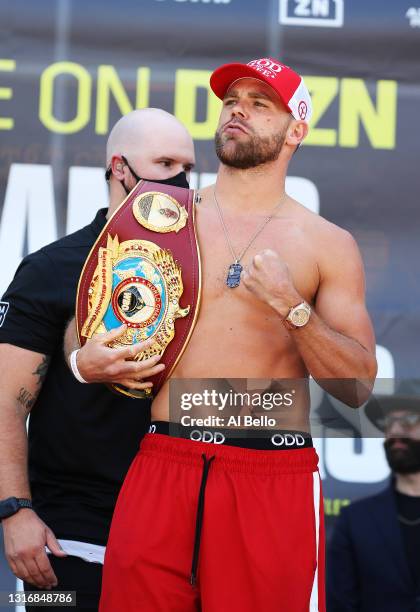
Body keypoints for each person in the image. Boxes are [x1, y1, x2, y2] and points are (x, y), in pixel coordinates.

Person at [67, 57, 377, 612]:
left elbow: (357, 387)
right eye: (232, 101)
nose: (239, 111)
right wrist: (82, 363)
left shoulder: (327, 243)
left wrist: (291, 307)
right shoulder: (160, 217)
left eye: (261, 105)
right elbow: (91, 321)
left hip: (270, 470)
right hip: (166, 457)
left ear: (296, 130)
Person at [0, 108, 195, 610]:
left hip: (172, 537)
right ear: (120, 167)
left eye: (189, 167)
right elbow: (6, 402)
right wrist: (15, 512)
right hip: (67, 539)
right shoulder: (50, 268)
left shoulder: (205, 272)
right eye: (165, 162)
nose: (181, 181)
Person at [328, 379, 420, 612]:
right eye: (389, 422)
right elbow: (340, 602)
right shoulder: (355, 520)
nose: (396, 432)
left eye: (409, 421)